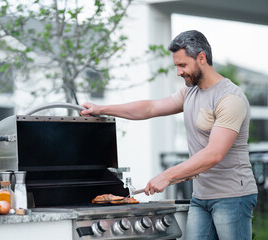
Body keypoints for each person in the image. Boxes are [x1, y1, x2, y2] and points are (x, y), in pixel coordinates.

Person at [80, 30, 258, 240]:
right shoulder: (190, 92)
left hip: (232, 197)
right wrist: (102, 109)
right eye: (176, 66)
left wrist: (166, 176)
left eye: (182, 65)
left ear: (202, 58)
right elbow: (150, 108)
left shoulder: (230, 98)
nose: (178, 72)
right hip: (201, 196)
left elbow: (214, 154)